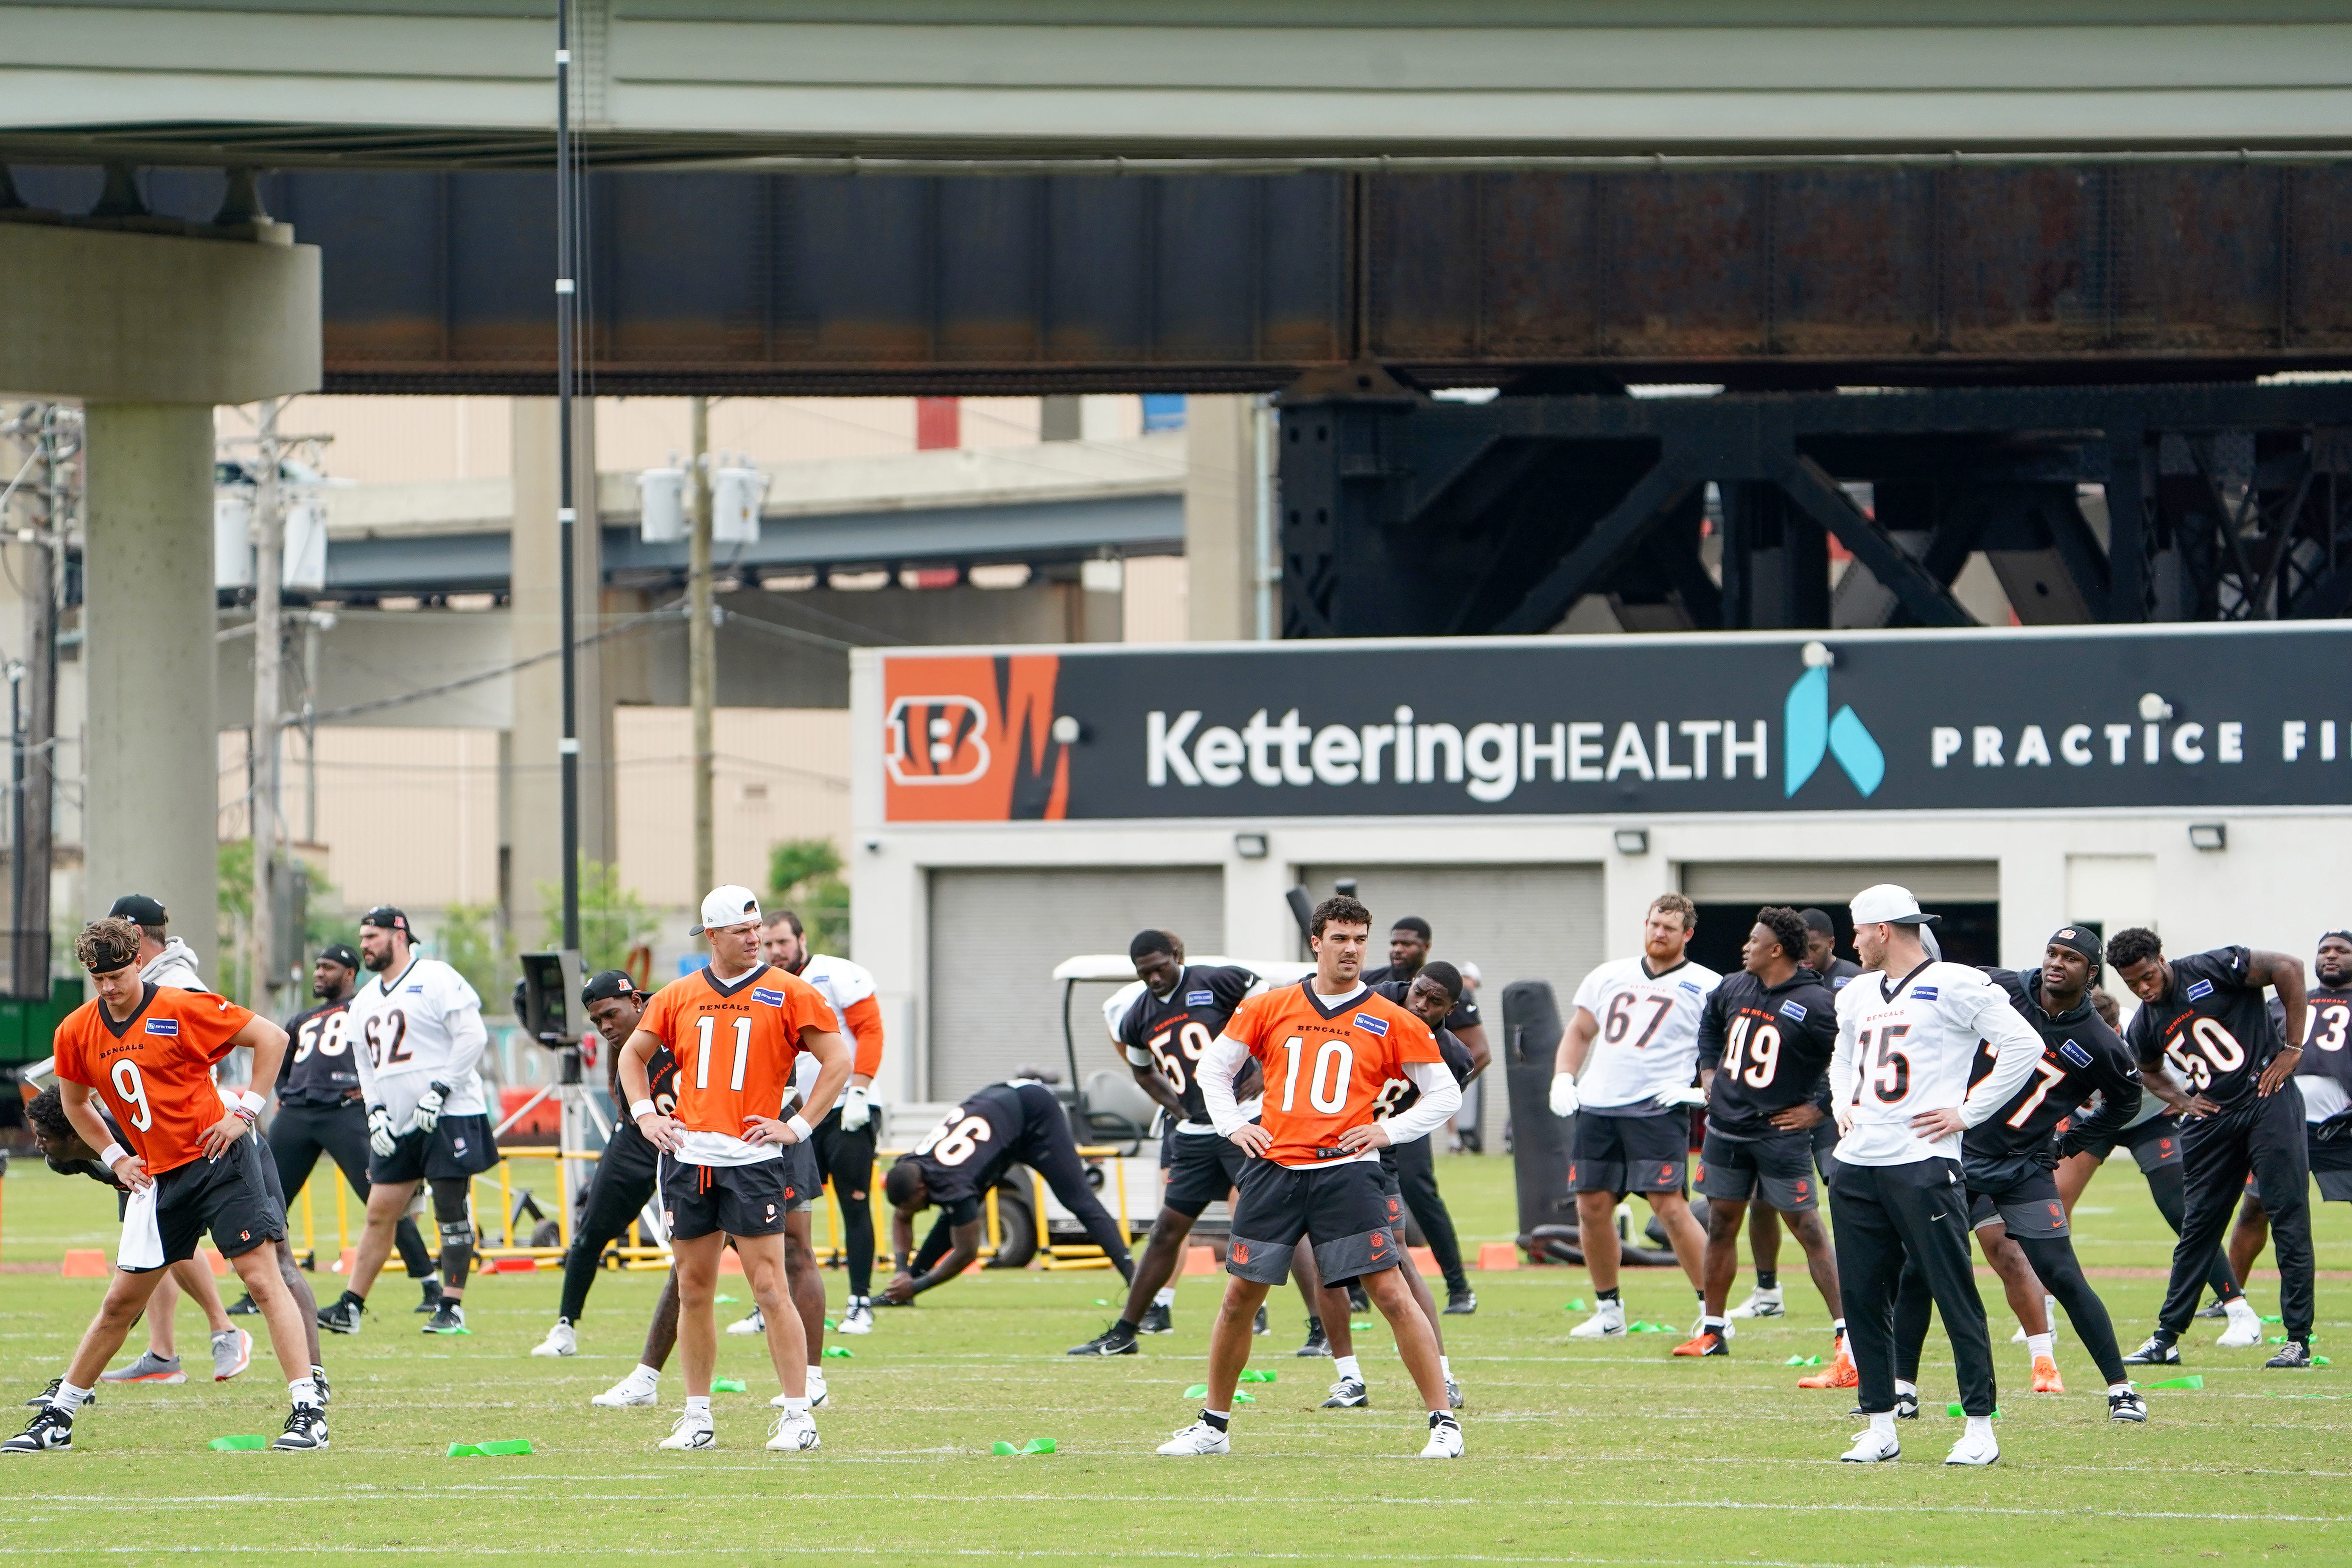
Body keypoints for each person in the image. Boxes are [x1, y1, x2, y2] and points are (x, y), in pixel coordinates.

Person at [1155, 894, 1463, 1460]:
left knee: (1391, 1292)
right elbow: (1214, 1070)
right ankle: (1213, 1427)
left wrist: (1387, 1132)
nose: (1351, 950)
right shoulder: (1268, 1006)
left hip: (1347, 1174)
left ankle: (1444, 1423)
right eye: (1340, 938)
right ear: (1316, 942)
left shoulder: (1392, 1018)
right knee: (1237, 1299)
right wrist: (1231, 1126)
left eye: (1359, 940)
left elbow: (1445, 1091)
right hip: (1274, 1170)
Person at [4, 919, 326, 1453]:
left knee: (263, 1279)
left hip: (219, 1159)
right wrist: (115, 1157)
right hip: (158, 1176)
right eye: (97, 977)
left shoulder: (179, 1007)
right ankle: (59, 1417)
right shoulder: (77, 1029)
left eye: (116, 975)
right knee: (118, 1304)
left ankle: (308, 1409)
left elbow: (272, 1038)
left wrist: (244, 1113)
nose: (108, 987)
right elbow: (74, 1103)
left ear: (138, 962)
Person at [617, 885, 851, 1453]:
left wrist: (799, 1126)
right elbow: (632, 1054)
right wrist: (647, 1115)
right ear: (713, 936)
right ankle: (697, 1418)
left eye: (758, 928)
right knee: (693, 1287)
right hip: (691, 1160)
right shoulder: (678, 995)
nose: (755, 938)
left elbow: (839, 1060)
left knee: (771, 1286)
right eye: (743, 930)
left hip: (753, 1160)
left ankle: (799, 1415)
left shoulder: (790, 992)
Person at [1887, 927, 2150, 1424]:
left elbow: (2126, 1103)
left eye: (2071, 958)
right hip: (1957, 1154)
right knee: (1919, 1269)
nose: (2057, 963)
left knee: (2062, 1273)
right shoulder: (1999, 988)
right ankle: (1903, 1387)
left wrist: (2068, 1143)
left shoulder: (2099, 1042)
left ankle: (2121, 1389)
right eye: (2053, 952)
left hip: (2023, 1165)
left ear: (2090, 974)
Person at [1827, 884, 2042, 1467]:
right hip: (1857, 1162)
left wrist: (1968, 1113)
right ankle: (1879, 1423)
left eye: (1858, 931)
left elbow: (2024, 1044)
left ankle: (1979, 1428)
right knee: (1863, 1297)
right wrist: (1840, 1101)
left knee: (1954, 1293)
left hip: (1923, 1161)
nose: (1853, 943)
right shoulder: (1858, 992)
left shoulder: (1954, 981)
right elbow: (1844, 1055)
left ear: (1883, 930)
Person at [1069, 930, 1284, 1357]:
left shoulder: (1218, 981)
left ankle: (1318, 1330)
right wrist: (1178, 1108)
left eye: (1160, 968)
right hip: (1198, 1132)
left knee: (1275, 1220)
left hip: (1248, 1120)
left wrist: (1265, 1071)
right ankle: (1126, 1331)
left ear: (1177, 956)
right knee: (1167, 1229)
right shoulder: (1136, 1015)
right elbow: (1143, 1071)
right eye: (1144, 972)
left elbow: (1274, 1013)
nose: (1153, 978)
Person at [2111, 928, 2316, 1369]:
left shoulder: (2210, 967)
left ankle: (2298, 1339)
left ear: (2161, 959)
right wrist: (2183, 1100)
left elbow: (2289, 967)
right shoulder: (2147, 1021)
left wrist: (2293, 1049)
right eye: (2133, 984)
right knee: (2198, 1227)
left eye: (2148, 976)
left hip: (2265, 1097)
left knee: (2287, 1214)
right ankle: (2166, 1338)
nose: (2144, 989)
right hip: (2213, 1117)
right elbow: (2148, 1069)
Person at [87, 893, 250, 1385]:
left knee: (181, 1244)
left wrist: (243, 1112)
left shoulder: (177, 985)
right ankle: (163, 1354)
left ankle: (225, 1330)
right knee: (144, 1242)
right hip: (144, 1134)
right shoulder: (129, 987)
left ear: (133, 937)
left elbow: (226, 1048)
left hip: (196, 1137)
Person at [1679, 907, 1845, 1376]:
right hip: (1727, 1131)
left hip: (1779, 1136)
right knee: (1721, 1226)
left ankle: (1846, 1336)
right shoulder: (1734, 986)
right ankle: (1713, 1330)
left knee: (1809, 1229)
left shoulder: (1816, 1002)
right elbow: (1709, 1026)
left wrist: (1821, 1108)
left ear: (1776, 949)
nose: (1745, 947)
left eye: (1754, 940)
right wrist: (1708, 1072)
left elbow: (1852, 1054)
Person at [318, 907, 496, 1338]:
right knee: (381, 1212)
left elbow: (473, 1037)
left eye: (372, 936)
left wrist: (440, 1089)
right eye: (362, 937)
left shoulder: (436, 977)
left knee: (450, 1209)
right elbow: (364, 1062)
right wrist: (375, 1112)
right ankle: (352, 1305)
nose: (365, 945)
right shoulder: (364, 1000)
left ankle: (451, 1306)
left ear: (399, 935)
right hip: (397, 1122)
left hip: (449, 1113)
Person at [1313, 960, 1481, 1413]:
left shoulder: (1453, 1054)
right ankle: (1349, 1378)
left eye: (1435, 1002)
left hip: (1375, 1149)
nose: (1421, 1005)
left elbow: (1436, 1104)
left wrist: (1391, 1132)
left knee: (1396, 1256)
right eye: (1419, 993)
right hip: (1318, 1143)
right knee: (1325, 1256)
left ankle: (1443, 1376)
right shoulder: (1372, 996)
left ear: (1451, 1009)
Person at [1550, 893, 1719, 1340]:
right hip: (1599, 1105)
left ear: (1687, 934)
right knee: (1592, 1208)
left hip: (1656, 1108)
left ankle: (1714, 1312)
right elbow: (1581, 1031)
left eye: (1669, 927)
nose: (1658, 933)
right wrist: (1564, 1078)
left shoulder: (1707, 984)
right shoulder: (1609, 975)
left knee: (1670, 1208)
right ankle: (1609, 1312)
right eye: (1654, 924)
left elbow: (1722, 1049)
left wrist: (1700, 1091)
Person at [724, 911, 888, 1345]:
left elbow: (869, 1030)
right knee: (774, 1213)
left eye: (783, 942)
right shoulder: (760, 982)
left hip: (842, 1109)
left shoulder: (837, 974)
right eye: (769, 942)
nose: (776, 950)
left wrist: (859, 1091)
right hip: (786, 1117)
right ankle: (768, 1302)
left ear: (802, 938)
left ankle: (860, 1301)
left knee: (855, 1203)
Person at [262, 943, 439, 1318]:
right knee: (267, 1199)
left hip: (345, 1110)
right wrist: (286, 1093)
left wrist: (373, 1090)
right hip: (298, 1112)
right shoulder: (302, 1019)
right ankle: (262, 1285)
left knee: (385, 1199)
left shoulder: (368, 1005)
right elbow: (281, 1061)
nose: (319, 974)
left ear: (349, 973)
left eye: (328, 967)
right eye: (318, 967)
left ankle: (430, 1284)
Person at [883, 1075, 1138, 1304]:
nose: (909, 1213)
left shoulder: (951, 1181)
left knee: (1079, 1200)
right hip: (1001, 1109)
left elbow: (966, 1252)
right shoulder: (912, 1167)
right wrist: (902, 1274)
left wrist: (918, 1287)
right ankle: (899, 1294)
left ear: (921, 1187)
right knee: (956, 1215)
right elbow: (902, 1217)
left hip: (1035, 1112)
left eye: (911, 1205)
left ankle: (1139, 1287)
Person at [534, 971, 670, 1365]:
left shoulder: (675, 1013)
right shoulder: (623, 1037)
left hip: (690, 1139)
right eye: (597, 1021)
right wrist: (627, 1105)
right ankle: (565, 1328)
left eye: (611, 1014)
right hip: (637, 1138)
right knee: (591, 1231)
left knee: (723, 1239)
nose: (606, 1026)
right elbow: (621, 1068)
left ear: (637, 1002)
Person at [1731, 907, 1859, 1324]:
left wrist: (1821, 1108)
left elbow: (1856, 1055)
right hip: (1782, 1113)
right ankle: (1767, 1291)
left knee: (1842, 1194)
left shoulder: (1854, 982)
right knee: (1761, 1201)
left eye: (1815, 950)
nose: (1806, 957)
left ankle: (1863, 1290)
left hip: (1833, 1111)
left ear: (1831, 946)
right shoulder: (1767, 980)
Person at [1363, 914, 1486, 1314]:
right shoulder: (1372, 994)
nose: (1400, 949)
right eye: (1395, 942)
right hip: (1350, 1119)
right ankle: (1346, 1298)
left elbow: (1477, 1053)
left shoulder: (1450, 1036)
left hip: (1400, 1123)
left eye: (1409, 943)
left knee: (1420, 1195)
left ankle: (1458, 1286)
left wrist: (1420, 1112)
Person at [2224, 932, 2352, 1284]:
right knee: (2254, 1209)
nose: (2331, 956)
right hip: (2283, 1123)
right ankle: (2229, 1296)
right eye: (2324, 950)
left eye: (2342, 951)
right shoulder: (2287, 1001)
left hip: (2341, 1127)